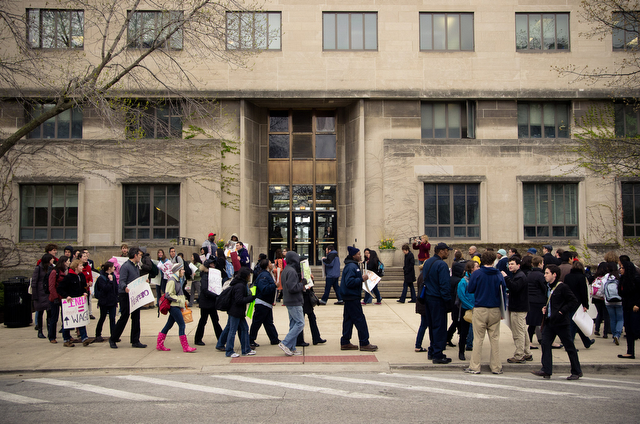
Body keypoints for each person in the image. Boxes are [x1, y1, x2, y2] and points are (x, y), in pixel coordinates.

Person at [532, 265, 583, 380]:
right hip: (550, 321)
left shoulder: (562, 287)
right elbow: (550, 301)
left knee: (569, 346)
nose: (545, 275)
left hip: (561, 322)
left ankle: (576, 371)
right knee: (545, 344)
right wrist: (545, 308)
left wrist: (561, 312)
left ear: (554, 274)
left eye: (547, 273)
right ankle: (546, 369)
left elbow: (573, 301)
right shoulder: (548, 287)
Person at [465, 250, 507, 375]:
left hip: (480, 308)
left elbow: (470, 289)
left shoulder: (477, 274)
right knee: (494, 339)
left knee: (478, 339)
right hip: (495, 308)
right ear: (494, 261)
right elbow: (503, 292)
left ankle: (475, 366)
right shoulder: (498, 274)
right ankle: (496, 367)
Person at [339, 246, 378, 352]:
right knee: (360, 319)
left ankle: (345, 341)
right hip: (352, 297)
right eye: (358, 254)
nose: (360, 255)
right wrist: (361, 278)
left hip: (349, 297)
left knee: (348, 319)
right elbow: (349, 282)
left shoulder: (351, 265)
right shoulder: (352, 266)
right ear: (353, 256)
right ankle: (364, 342)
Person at [109, 247, 147, 349]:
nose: (140, 257)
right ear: (135, 255)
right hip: (125, 295)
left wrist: (144, 282)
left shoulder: (136, 266)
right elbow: (121, 280)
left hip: (134, 294)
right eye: (139, 255)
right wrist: (124, 287)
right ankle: (113, 338)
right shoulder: (125, 266)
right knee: (124, 317)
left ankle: (135, 340)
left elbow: (136, 280)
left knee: (136, 317)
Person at [422, 242, 452, 364]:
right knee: (439, 327)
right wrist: (447, 301)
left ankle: (432, 350)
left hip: (428, 298)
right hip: (438, 299)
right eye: (446, 250)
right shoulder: (442, 265)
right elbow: (444, 285)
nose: (448, 252)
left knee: (432, 326)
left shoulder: (428, 262)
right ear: (441, 251)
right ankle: (438, 354)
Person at [156, 263, 197, 353]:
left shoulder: (177, 280)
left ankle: (160, 344)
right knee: (182, 325)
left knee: (168, 325)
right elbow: (168, 294)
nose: (183, 271)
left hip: (176, 306)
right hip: (174, 306)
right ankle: (185, 347)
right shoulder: (172, 280)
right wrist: (178, 300)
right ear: (178, 271)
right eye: (182, 269)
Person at [57, 259, 95, 347]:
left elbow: (82, 287)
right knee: (67, 321)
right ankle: (66, 339)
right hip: (70, 302)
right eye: (80, 266)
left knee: (80, 319)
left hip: (78, 302)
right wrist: (66, 296)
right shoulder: (68, 277)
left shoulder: (81, 276)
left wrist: (84, 293)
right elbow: (60, 288)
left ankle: (84, 338)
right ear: (76, 267)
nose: (82, 267)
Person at [502, 256, 532, 364]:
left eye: (512, 264)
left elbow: (514, 287)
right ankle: (527, 352)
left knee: (518, 332)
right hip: (520, 307)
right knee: (523, 330)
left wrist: (505, 278)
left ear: (518, 265)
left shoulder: (519, 276)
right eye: (509, 264)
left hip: (518, 308)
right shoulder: (519, 275)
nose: (510, 266)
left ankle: (519, 355)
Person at [563, 260, 595, 349]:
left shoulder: (567, 277)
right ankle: (569, 345)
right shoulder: (581, 277)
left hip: (568, 301)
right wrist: (586, 305)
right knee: (574, 323)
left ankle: (587, 341)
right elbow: (583, 292)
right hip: (578, 303)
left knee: (577, 322)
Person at [279, 251, 305, 356]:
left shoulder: (286, 270)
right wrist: (302, 284)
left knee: (294, 323)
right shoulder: (292, 271)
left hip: (289, 300)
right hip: (294, 301)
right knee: (300, 323)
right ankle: (285, 343)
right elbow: (292, 288)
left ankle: (291, 347)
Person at [249, 258, 280, 348]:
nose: (272, 264)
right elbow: (264, 289)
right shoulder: (264, 275)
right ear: (267, 265)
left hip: (266, 303)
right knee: (257, 322)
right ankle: (251, 339)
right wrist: (274, 285)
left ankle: (274, 339)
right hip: (262, 303)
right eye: (270, 263)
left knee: (268, 322)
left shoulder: (266, 274)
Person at [225, 267, 255, 357]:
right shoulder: (240, 286)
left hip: (238, 311)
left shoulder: (239, 284)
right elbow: (239, 300)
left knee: (244, 328)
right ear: (245, 276)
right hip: (236, 311)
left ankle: (246, 349)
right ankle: (229, 351)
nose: (250, 277)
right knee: (232, 331)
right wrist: (251, 298)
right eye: (249, 275)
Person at [194, 258, 223, 346]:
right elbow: (205, 290)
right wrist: (216, 295)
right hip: (206, 302)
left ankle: (221, 338)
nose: (213, 265)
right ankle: (198, 339)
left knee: (215, 320)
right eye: (211, 264)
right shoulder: (205, 276)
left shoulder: (211, 276)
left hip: (211, 302)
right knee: (203, 320)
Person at [297, 272, 326, 347]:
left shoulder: (304, 270)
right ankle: (302, 339)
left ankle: (315, 337)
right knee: (303, 319)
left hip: (306, 297)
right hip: (303, 298)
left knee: (311, 318)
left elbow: (309, 284)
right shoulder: (298, 272)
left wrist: (311, 280)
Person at [456, 261, 478, 360]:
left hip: (476, 308)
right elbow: (461, 296)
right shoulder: (463, 281)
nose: (479, 267)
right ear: (471, 268)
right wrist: (471, 306)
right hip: (467, 309)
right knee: (464, 332)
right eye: (477, 266)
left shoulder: (477, 279)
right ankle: (461, 351)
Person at [619, 260, 640, 359]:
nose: (620, 269)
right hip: (626, 306)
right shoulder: (623, 279)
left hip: (635, 307)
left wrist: (638, 304)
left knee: (636, 329)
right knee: (628, 330)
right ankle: (630, 352)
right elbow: (621, 293)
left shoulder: (636, 278)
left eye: (622, 268)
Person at [94, 261, 118, 343]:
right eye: (113, 267)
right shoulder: (101, 278)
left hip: (112, 301)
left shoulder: (113, 276)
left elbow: (115, 288)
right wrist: (110, 281)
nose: (114, 268)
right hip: (104, 301)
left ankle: (114, 335)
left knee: (112, 318)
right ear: (109, 268)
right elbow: (105, 289)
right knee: (102, 317)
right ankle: (98, 334)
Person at [526, 256, 547, 349]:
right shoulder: (541, 275)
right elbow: (544, 288)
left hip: (530, 300)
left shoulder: (529, 274)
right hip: (539, 300)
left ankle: (530, 340)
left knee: (532, 323)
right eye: (542, 263)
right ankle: (532, 340)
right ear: (539, 264)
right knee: (539, 322)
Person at [31, 253, 54, 339]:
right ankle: (40, 330)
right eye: (51, 259)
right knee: (40, 312)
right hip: (40, 293)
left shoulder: (51, 268)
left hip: (48, 293)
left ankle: (49, 331)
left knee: (49, 313)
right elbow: (34, 282)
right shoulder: (39, 268)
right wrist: (35, 295)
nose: (53, 260)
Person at [47, 256, 69, 344]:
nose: (69, 262)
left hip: (63, 297)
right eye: (67, 261)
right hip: (55, 298)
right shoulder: (54, 272)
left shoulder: (65, 271)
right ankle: (52, 336)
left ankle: (67, 335)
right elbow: (51, 286)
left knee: (66, 318)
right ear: (63, 262)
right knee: (54, 318)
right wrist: (55, 297)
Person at [446, 258, 465, 347]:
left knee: (455, 322)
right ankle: (448, 337)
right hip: (457, 304)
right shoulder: (459, 281)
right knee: (457, 322)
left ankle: (448, 338)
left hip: (451, 303)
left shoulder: (450, 279)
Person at [604, 263, 624, 346]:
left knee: (612, 319)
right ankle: (617, 334)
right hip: (619, 300)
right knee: (620, 319)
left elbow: (602, 289)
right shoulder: (619, 276)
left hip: (608, 301)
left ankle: (613, 335)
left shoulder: (606, 277)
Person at [591, 262, 611, 338]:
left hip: (596, 298)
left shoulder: (596, 276)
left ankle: (597, 329)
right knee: (606, 315)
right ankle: (605, 332)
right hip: (604, 297)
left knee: (599, 313)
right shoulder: (607, 277)